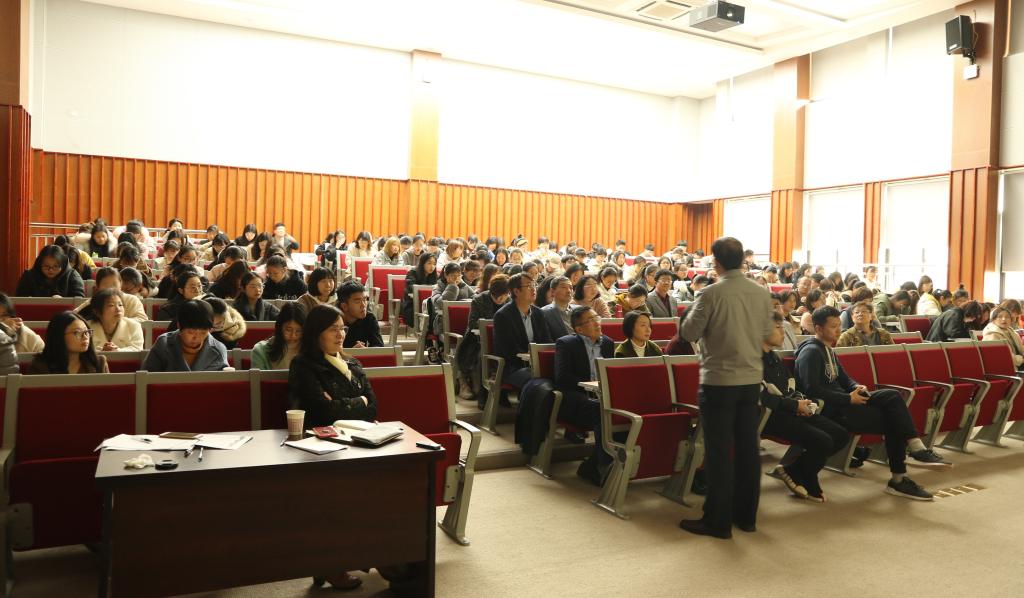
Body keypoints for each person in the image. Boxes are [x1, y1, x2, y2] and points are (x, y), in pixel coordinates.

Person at [677, 237, 774, 539]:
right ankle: (746, 517)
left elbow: (689, 332)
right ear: (743, 260)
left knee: (719, 452)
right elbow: (767, 333)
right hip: (751, 380)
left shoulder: (710, 293)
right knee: (748, 450)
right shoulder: (761, 293)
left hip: (719, 381)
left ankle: (717, 521)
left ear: (716, 263)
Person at [796, 306, 935, 500]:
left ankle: (912, 454)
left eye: (839, 325)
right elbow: (812, 390)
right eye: (833, 326)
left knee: (892, 397)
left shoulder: (828, 350)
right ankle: (902, 473)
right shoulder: (810, 352)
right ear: (818, 329)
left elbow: (845, 379)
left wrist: (856, 386)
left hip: (846, 403)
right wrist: (848, 398)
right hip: (833, 410)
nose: (838, 330)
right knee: (894, 418)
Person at [285, 303, 375, 591]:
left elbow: (373, 407)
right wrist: (357, 402)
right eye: (333, 329)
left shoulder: (354, 364)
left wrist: (341, 404)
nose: (340, 334)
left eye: (342, 328)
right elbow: (321, 412)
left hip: (360, 442)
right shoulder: (304, 365)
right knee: (337, 495)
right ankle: (332, 563)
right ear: (316, 334)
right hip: (323, 446)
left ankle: (381, 553)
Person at [761, 312, 849, 503]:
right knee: (823, 441)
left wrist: (801, 403)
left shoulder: (773, 357)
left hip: (790, 409)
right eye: (778, 327)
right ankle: (806, 475)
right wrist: (794, 405)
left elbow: (789, 387)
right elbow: (762, 398)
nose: (783, 332)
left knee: (841, 435)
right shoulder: (752, 360)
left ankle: (795, 470)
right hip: (770, 416)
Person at [553, 306, 616, 485]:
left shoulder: (608, 343)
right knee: (601, 409)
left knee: (621, 409)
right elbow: (562, 377)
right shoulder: (566, 344)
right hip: (576, 397)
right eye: (591, 320)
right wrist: (589, 385)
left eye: (597, 318)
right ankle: (602, 467)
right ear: (579, 329)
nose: (597, 323)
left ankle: (594, 465)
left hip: (601, 396)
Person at [455, 275, 510, 402]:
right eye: (498, 295)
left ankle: (502, 392)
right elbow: (472, 323)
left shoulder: (509, 301)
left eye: (505, 295)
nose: (501, 299)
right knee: (482, 355)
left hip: (501, 341)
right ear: (492, 292)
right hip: (476, 340)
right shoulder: (479, 299)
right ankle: (482, 394)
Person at [492, 273, 552, 390]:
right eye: (529, 286)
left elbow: (547, 341)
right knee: (539, 382)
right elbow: (509, 350)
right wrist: (531, 357)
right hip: (513, 367)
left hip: (536, 363)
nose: (534, 289)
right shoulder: (503, 316)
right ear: (516, 291)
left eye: (534, 285)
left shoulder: (539, 313)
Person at [143, 300, 229, 372]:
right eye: (191, 332)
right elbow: (148, 377)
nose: (196, 337)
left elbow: (222, 381)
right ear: (179, 326)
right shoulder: (163, 343)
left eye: (203, 332)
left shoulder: (218, 349)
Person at [27, 312, 108, 374]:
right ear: (59, 336)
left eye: (86, 332)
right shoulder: (40, 367)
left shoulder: (99, 363)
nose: (85, 337)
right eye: (77, 332)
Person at [251, 302, 305, 370]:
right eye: (288, 330)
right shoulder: (260, 351)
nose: (293, 336)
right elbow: (258, 377)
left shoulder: (310, 351)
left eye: (299, 331)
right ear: (280, 327)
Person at [16, 246, 85, 298]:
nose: (50, 270)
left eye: (55, 266)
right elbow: (20, 297)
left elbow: (79, 299)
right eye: (46, 266)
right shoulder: (29, 276)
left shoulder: (72, 276)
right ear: (39, 264)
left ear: (63, 264)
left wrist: (64, 301)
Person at [430, 262, 473, 337]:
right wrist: (452, 287)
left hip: (464, 319)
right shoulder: (438, 287)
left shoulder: (464, 286)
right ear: (446, 275)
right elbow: (440, 303)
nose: (456, 278)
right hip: (445, 322)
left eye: (458, 275)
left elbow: (475, 298)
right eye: (453, 275)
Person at [336, 281, 383, 348]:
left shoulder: (369, 318)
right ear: (344, 306)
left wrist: (365, 351)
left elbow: (379, 346)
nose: (363, 305)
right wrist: (352, 352)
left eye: (365, 299)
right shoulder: (333, 320)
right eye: (357, 301)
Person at [400, 253, 437, 326]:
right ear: (422, 263)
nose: (432, 266)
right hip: (412, 306)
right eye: (429, 263)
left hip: (429, 307)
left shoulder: (435, 276)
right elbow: (411, 288)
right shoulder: (412, 273)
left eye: (434, 264)